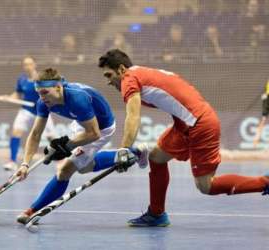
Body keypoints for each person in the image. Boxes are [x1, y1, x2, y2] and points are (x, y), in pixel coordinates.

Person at [98, 49, 269, 227]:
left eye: (109, 75)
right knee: (156, 157)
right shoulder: (141, 73)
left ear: (122, 69)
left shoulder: (129, 79)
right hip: (185, 123)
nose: (108, 81)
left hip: (200, 124)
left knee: (206, 186)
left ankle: (265, 182)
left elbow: (133, 117)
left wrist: (123, 150)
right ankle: (156, 214)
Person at [14, 68, 148, 224]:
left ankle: (32, 211)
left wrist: (67, 146)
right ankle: (134, 152)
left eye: (44, 92)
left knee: (64, 170)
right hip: (81, 122)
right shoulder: (44, 102)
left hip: (102, 128)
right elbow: (35, 134)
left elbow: (94, 133)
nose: (41, 97)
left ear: (58, 87)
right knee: (83, 167)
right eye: (38, 93)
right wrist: (25, 164)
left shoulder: (77, 99)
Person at [2, 57, 56, 170]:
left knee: (51, 137)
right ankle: (12, 161)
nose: (28, 66)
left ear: (34, 64)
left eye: (30, 64)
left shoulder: (41, 79)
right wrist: (8, 97)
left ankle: (63, 160)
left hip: (42, 111)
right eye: (25, 64)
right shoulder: (21, 79)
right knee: (16, 132)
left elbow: (50, 93)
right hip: (26, 110)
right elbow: (17, 94)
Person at [253, 79, 269, 148]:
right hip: (267, 98)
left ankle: (256, 139)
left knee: (263, 119)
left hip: (266, 97)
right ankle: (256, 139)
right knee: (263, 119)